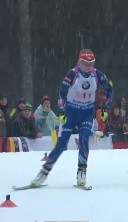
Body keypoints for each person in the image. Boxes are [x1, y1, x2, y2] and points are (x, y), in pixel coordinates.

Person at [30, 49, 113, 187]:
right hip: (71, 114)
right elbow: (62, 93)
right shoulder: (72, 74)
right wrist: (61, 111)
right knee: (61, 144)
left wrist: (105, 107)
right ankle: (44, 172)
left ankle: (82, 172)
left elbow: (109, 89)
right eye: (85, 63)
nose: (88, 66)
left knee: (84, 139)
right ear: (79, 62)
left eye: (91, 63)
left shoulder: (97, 74)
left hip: (87, 114)